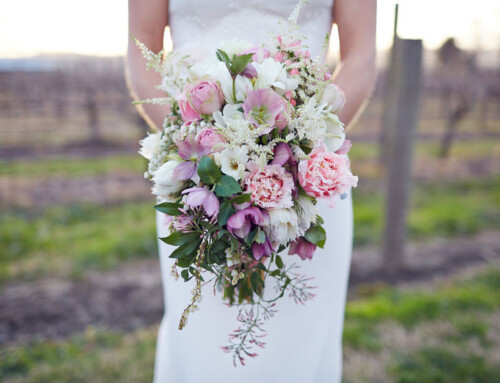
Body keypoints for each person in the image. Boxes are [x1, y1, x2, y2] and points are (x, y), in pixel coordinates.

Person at [127, 0, 376, 381]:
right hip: (196, 187)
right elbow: (141, 49)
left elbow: (361, 54)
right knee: (203, 346)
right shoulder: (196, 168)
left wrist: (299, 149)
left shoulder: (303, 160)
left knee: (298, 352)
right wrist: (200, 153)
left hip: (306, 182)